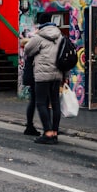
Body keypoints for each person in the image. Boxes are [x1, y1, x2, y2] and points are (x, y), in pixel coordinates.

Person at [24, 12, 63, 144]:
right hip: (57, 74)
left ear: (40, 23)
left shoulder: (39, 36)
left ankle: (47, 133)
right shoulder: (60, 35)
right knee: (56, 103)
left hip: (42, 75)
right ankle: (55, 133)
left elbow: (27, 50)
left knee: (41, 103)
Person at [20, 30, 40, 136]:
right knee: (40, 102)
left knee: (33, 101)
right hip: (36, 76)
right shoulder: (35, 49)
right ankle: (49, 127)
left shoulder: (28, 49)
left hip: (30, 76)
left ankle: (29, 125)